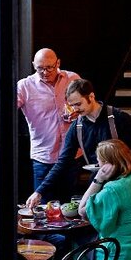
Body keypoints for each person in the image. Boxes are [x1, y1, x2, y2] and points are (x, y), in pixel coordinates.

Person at [25, 78, 131, 208]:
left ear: (91, 96)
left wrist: (119, 163)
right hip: (97, 182)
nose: (75, 109)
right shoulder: (77, 126)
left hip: (124, 179)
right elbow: (63, 161)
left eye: (78, 104)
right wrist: (39, 191)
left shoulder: (119, 117)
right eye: (72, 105)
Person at [16, 48, 81, 202]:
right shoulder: (25, 86)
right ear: (33, 65)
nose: (45, 72)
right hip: (43, 156)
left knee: (69, 206)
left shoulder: (72, 79)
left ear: (58, 63)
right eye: (40, 68)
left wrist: (78, 112)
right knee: (44, 206)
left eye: (49, 67)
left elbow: (88, 105)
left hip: (71, 154)